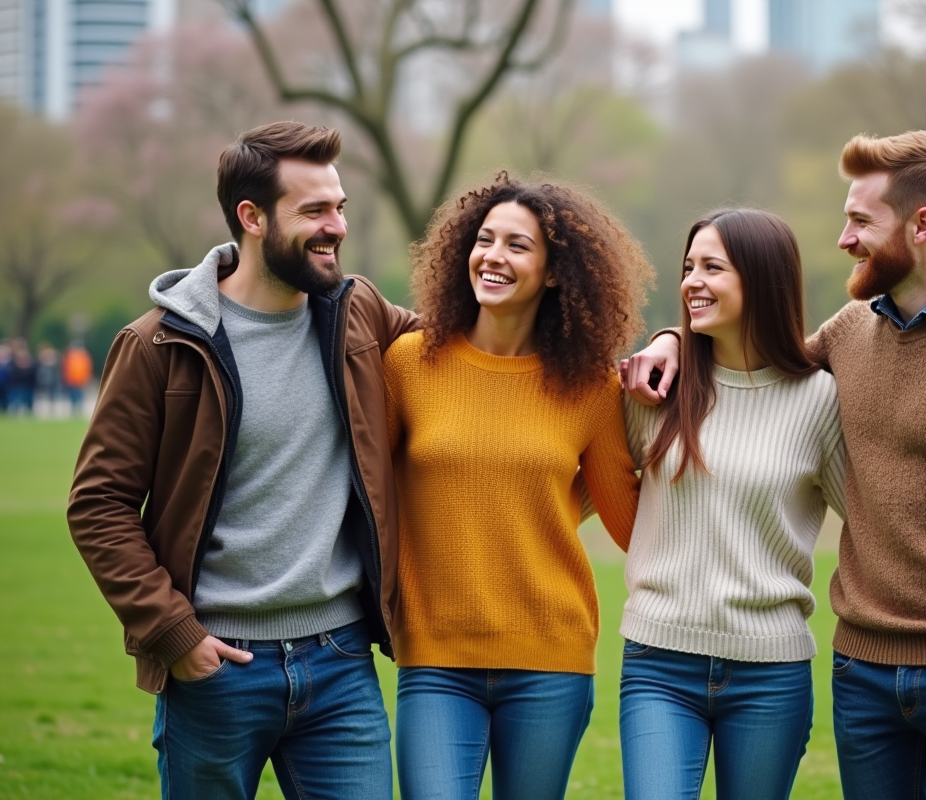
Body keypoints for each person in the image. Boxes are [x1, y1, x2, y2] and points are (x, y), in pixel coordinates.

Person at [626, 130, 926, 800]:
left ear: (921, 226)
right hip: (864, 680)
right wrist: (673, 341)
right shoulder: (849, 333)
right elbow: (758, 361)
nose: (844, 239)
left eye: (860, 222)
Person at [67, 121, 419, 800]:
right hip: (218, 667)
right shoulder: (159, 346)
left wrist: (668, 345)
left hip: (342, 663)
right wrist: (173, 632)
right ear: (251, 218)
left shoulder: (359, 313)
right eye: (314, 211)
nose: (336, 226)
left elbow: (471, 347)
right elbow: (99, 504)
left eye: (340, 207)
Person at [382, 173, 650, 800]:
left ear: (556, 272)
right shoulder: (408, 365)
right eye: (484, 239)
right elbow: (371, 490)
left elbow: (630, 520)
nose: (492, 257)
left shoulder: (590, 388)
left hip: (550, 660)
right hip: (435, 657)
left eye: (517, 246)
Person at [619, 209, 846, 800]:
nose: (692, 281)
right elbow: (578, 487)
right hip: (659, 663)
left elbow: (877, 525)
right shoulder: (656, 389)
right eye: (688, 267)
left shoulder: (820, 399)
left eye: (712, 267)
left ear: (763, 280)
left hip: (771, 673)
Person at [60, 340, 93, 415]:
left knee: (80, 396)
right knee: (73, 396)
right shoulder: (70, 356)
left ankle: (78, 409)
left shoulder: (84, 356)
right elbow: (66, 368)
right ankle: (74, 409)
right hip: (72, 380)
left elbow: (88, 368)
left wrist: (87, 378)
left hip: (81, 380)